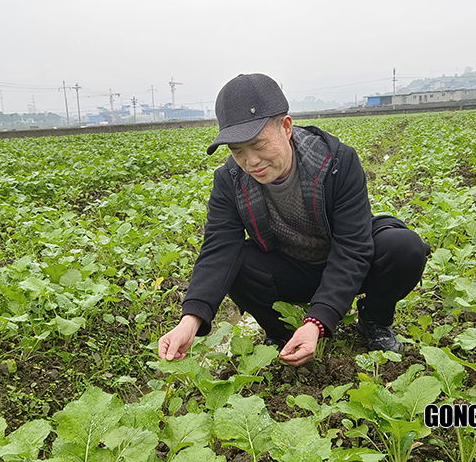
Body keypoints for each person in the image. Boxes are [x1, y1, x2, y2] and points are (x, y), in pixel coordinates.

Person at [158, 73, 430, 367]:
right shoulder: (230, 180)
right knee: (236, 262)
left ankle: (374, 320)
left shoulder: (336, 162)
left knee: (404, 247)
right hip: (292, 267)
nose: (251, 162)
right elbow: (218, 249)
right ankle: (282, 333)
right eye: (238, 151)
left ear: (285, 127)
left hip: (347, 261)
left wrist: (319, 320)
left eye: (259, 145)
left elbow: (352, 247)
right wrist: (191, 320)